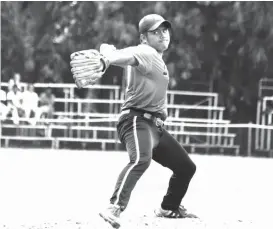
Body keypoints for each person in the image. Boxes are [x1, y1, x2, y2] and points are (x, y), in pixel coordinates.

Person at [97, 14, 197, 228]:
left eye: (165, 30)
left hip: (155, 127)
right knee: (141, 159)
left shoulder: (156, 59)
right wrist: (108, 59)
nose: (163, 34)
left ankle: (168, 207)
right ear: (144, 38)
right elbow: (132, 54)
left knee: (186, 167)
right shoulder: (147, 52)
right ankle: (114, 206)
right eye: (156, 31)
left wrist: (109, 53)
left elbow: (125, 56)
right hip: (136, 120)